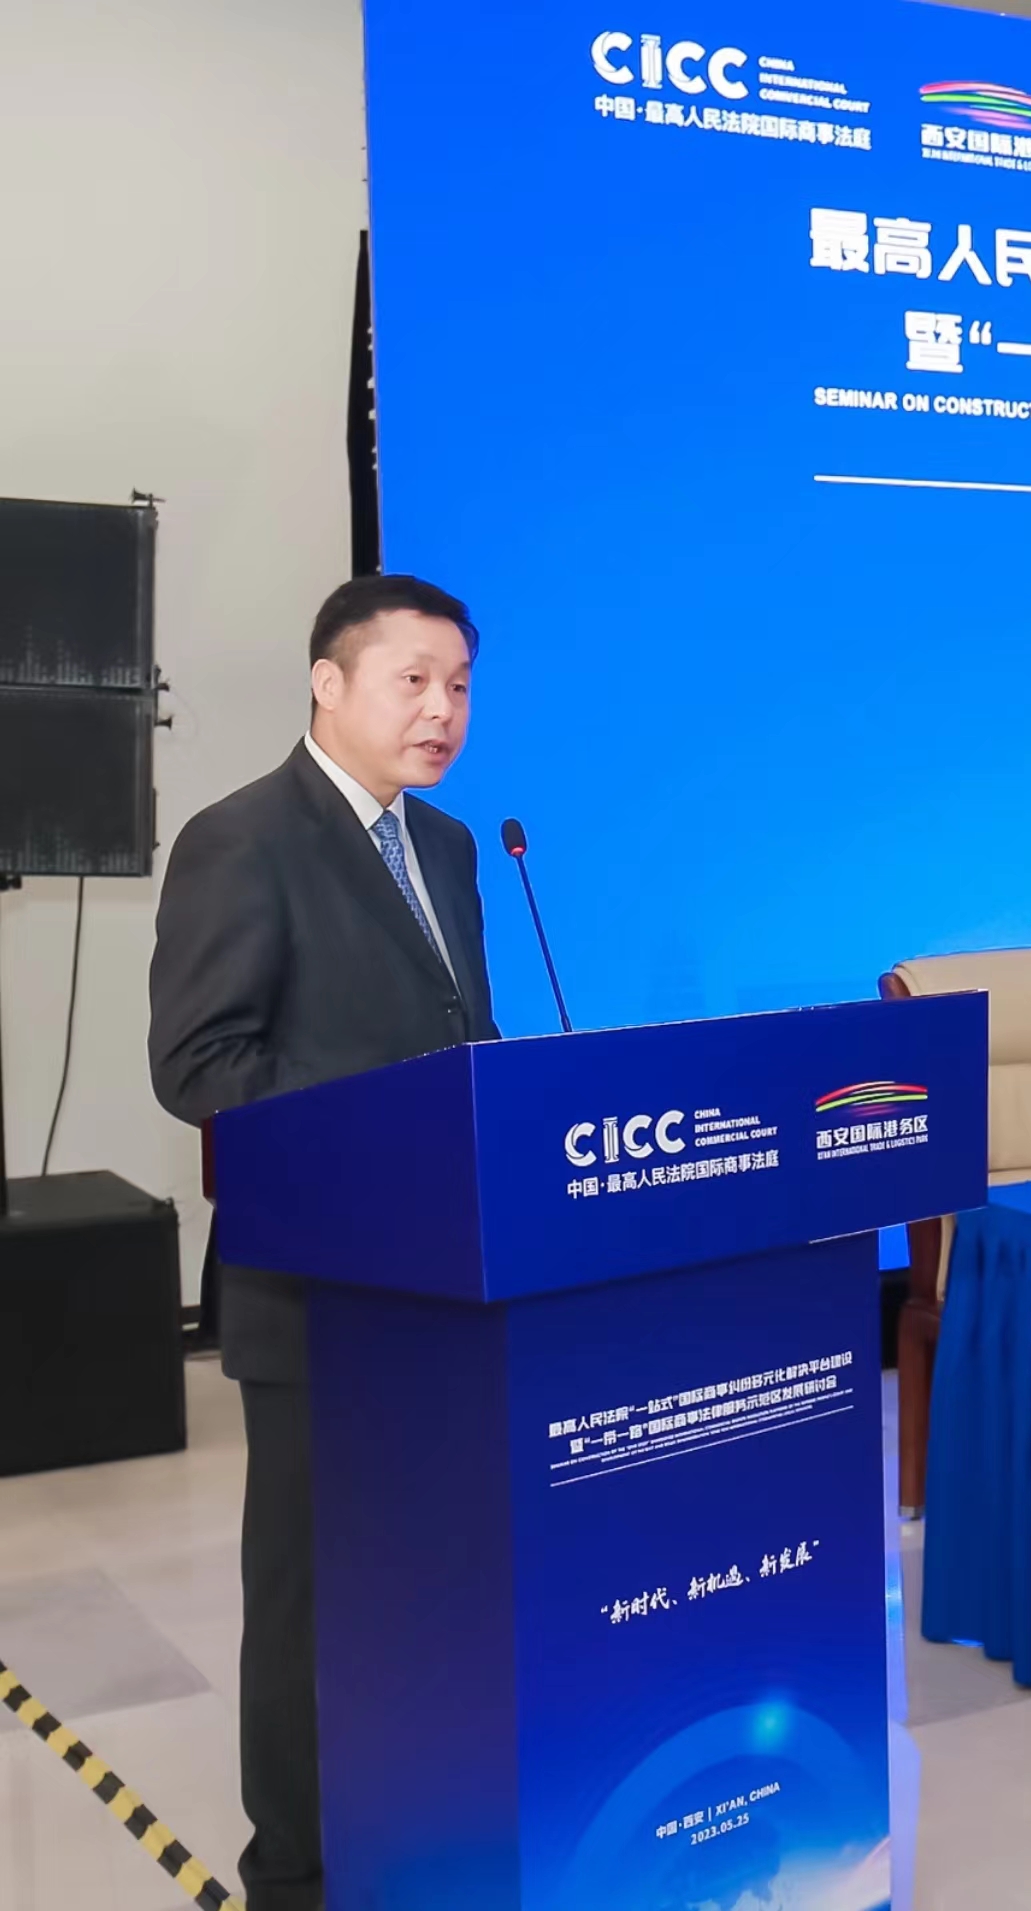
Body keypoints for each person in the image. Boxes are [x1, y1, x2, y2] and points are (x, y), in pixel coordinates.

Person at [148, 573, 500, 1911]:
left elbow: (464, 1042)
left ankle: (422, 1817)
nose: (441, 709)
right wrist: (390, 1120)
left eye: (457, 686)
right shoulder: (241, 840)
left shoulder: (450, 847)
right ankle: (293, 1870)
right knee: (310, 1597)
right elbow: (202, 1064)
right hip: (317, 1293)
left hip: (449, 1279)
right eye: (412, 680)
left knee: (431, 1577)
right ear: (327, 681)